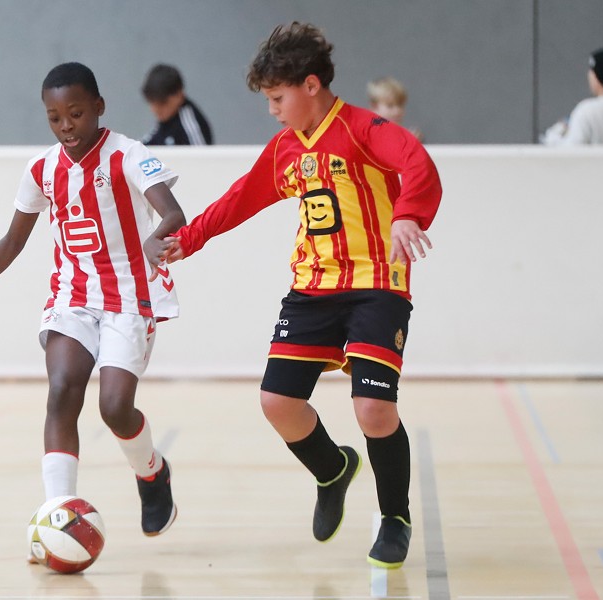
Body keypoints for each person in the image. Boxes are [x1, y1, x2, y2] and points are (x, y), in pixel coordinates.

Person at [149, 22, 442, 569]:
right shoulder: (286, 149)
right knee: (277, 403)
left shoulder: (363, 128)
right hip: (313, 286)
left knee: (374, 408)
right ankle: (332, 470)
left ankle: (394, 517)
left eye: (277, 98)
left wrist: (408, 215)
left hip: (377, 284)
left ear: (311, 85)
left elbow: (418, 163)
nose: (272, 110)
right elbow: (241, 197)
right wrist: (189, 238)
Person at [0, 62, 185, 549]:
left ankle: (152, 472)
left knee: (115, 408)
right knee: (62, 389)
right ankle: (57, 516)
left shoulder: (128, 154)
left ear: (98, 107)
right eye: (55, 117)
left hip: (130, 296)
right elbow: (14, 239)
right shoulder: (41, 169)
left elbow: (173, 212)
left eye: (76, 114)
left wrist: (158, 237)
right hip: (73, 295)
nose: (66, 126)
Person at [141, 64, 213, 146]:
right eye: (152, 103)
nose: (155, 110)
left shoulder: (189, 122)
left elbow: (201, 152)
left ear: (179, 94)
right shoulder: (165, 120)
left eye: (162, 103)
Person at [367, 76, 424, 141]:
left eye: (400, 105)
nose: (397, 111)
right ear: (374, 106)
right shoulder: (368, 134)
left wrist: (413, 142)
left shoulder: (401, 135)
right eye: (390, 106)